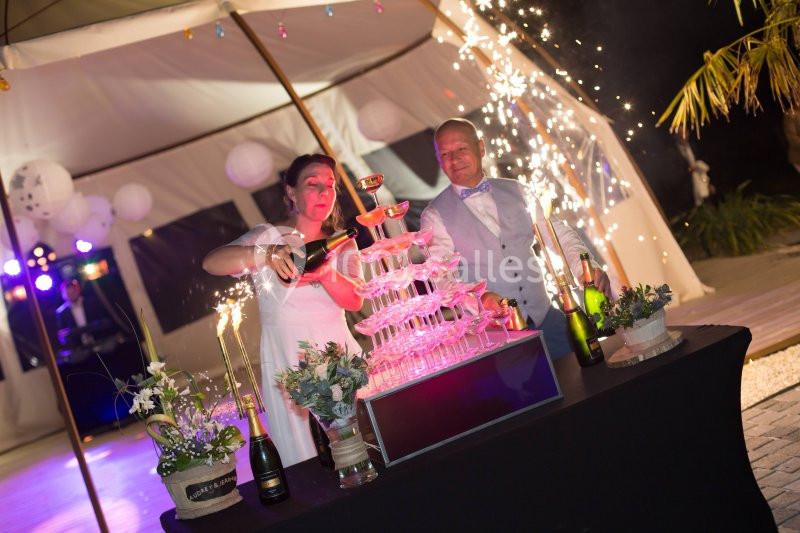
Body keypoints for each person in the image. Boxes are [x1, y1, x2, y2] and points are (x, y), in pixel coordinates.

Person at [203, 154, 363, 467]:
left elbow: (355, 300)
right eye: (312, 184)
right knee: (304, 458)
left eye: (329, 186)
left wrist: (327, 274)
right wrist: (265, 254)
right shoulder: (268, 237)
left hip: (339, 359)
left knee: (352, 449)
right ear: (290, 192)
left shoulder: (341, 243)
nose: (323, 193)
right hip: (287, 363)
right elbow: (212, 262)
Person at [420, 118, 611, 359]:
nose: (454, 160)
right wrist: (481, 299)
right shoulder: (434, 215)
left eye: (461, 149)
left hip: (548, 319)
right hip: (497, 338)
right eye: (445, 154)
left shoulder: (518, 190)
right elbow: (442, 278)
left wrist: (586, 268)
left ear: (481, 148)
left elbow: (555, 234)